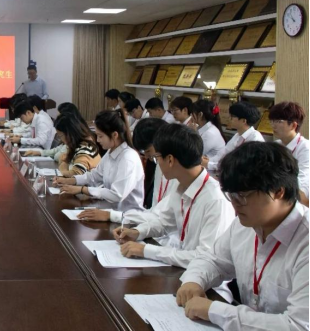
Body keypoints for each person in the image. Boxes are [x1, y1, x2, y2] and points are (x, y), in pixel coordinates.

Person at [176, 142, 308, 330]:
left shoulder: (304, 241)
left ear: (279, 191)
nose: (234, 205)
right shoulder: (245, 224)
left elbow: (298, 326)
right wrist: (193, 281)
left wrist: (216, 311)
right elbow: (213, 260)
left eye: (242, 196)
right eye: (231, 195)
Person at [114, 124, 235, 268]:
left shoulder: (215, 200)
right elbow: (164, 222)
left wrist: (147, 250)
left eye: (157, 157)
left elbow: (205, 258)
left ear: (170, 160)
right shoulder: (182, 185)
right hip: (184, 269)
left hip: (203, 278)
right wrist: (137, 232)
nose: (157, 163)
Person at [78, 119, 176, 235]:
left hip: (161, 232)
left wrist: (112, 216)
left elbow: (161, 218)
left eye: (148, 151)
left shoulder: (130, 157)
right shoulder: (160, 165)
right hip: (148, 225)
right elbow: (155, 213)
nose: (147, 156)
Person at [54, 110, 145, 212]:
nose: (97, 140)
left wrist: (82, 189)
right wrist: (71, 180)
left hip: (126, 216)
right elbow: (94, 176)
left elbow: (117, 195)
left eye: (100, 136)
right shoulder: (111, 152)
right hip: (109, 209)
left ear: (115, 135)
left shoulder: (128, 158)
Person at [269, 101, 309, 206]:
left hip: (296, 197)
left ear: (293, 125)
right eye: (272, 121)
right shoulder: (276, 145)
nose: (273, 125)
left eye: (278, 121)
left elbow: (302, 180)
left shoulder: (305, 147)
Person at [208, 101, 264, 173]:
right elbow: (223, 154)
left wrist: (209, 164)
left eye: (232, 116)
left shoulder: (255, 139)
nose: (229, 118)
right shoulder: (238, 135)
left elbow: (238, 165)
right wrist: (208, 161)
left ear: (244, 121)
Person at [191, 100, 226, 172]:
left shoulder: (210, 133)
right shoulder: (202, 127)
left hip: (211, 170)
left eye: (192, 113)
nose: (191, 116)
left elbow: (194, 153)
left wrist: (193, 133)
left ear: (200, 114)